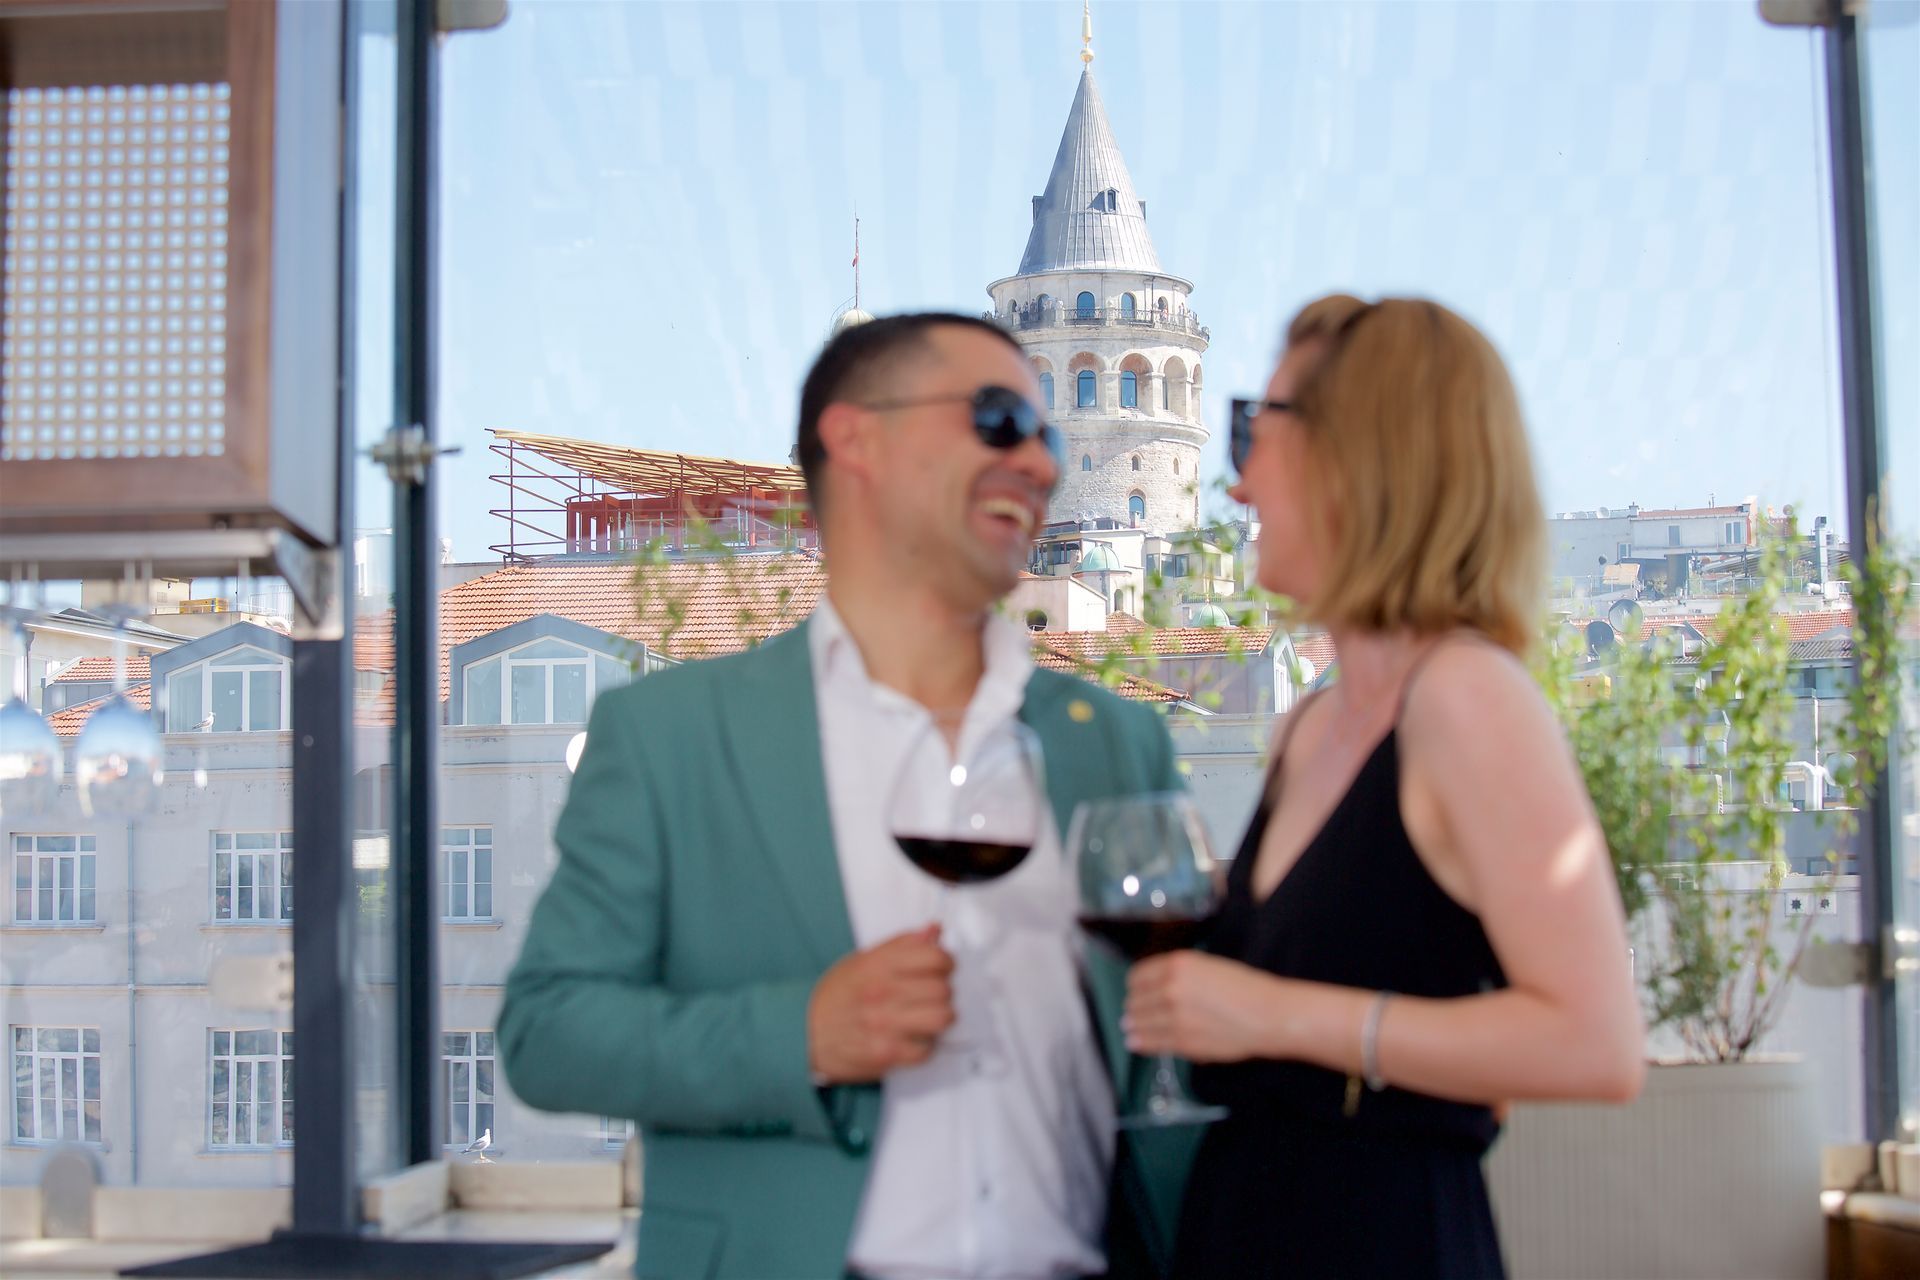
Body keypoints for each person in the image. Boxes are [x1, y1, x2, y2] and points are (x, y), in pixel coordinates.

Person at [500, 312, 1189, 1280]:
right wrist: (800, 1034)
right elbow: (548, 1033)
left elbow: (1170, 1062)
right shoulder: (671, 736)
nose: (1040, 463)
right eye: (1000, 419)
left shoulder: (1118, 742)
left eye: (1052, 436)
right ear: (856, 438)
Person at [1122, 294, 1646, 1279]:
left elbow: (1596, 1041)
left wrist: (1270, 1014)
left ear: (1362, 458)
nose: (1236, 485)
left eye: (1256, 428)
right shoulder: (1308, 725)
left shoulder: (1468, 700)